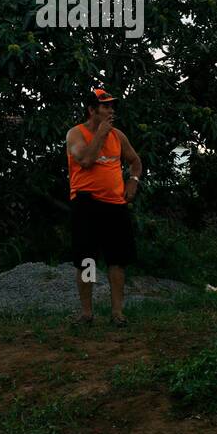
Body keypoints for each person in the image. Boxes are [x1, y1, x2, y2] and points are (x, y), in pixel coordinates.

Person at [65, 88, 142, 326]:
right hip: (86, 203)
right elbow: (86, 160)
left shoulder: (118, 136)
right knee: (87, 260)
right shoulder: (75, 134)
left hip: (115, 205)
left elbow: (135, 161)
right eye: (105, 106)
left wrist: (133, 182)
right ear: (91, 110)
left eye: (112, 106)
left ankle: (117, 313)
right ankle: (87, 313)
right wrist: (100, 134)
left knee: (117, 260)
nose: (111, 111)